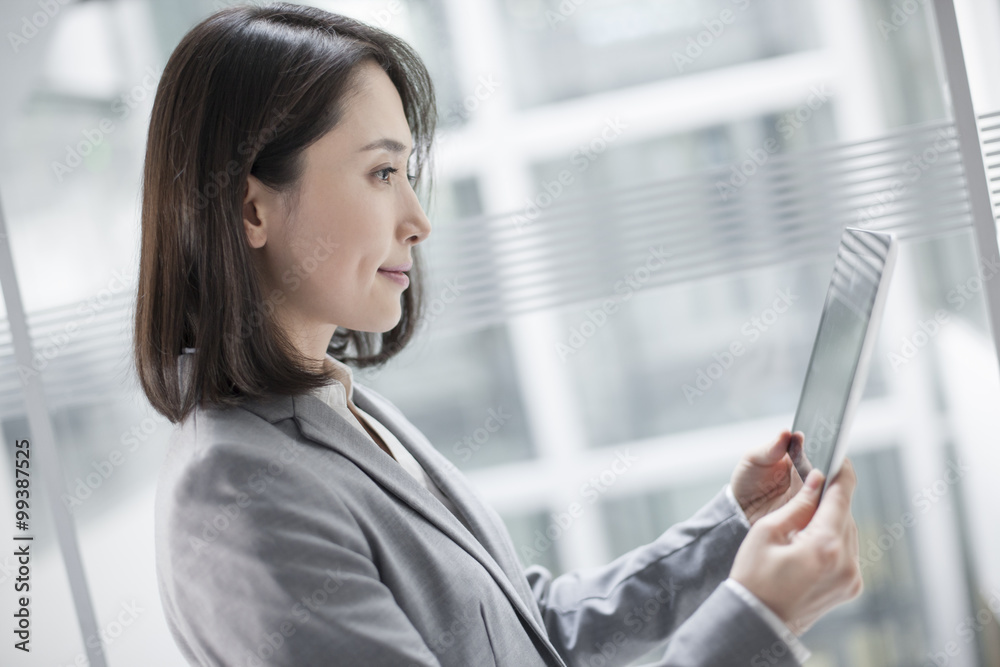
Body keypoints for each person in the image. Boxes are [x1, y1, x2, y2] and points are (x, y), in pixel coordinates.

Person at [132, 4, 862, 665]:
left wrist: (735, 526)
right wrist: (754, 619)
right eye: (382, 172)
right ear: (251, 210)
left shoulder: (337, 406)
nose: (418, 218)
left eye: (408, 172)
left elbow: (526, 628)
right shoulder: (233, 493)